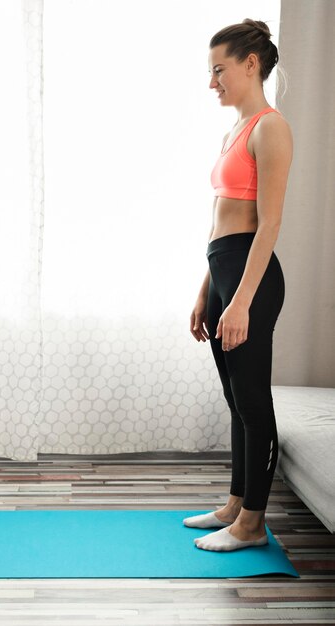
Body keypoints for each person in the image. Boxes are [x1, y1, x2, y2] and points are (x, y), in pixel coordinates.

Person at [184, 19, 293, 551]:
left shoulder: (271, 127)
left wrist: (242, 300)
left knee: (252, 400)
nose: (213, 83)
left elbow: (267, 223)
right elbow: (219, 223)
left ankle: (252, 523)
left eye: (219, 70)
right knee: (234, 397)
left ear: (251, 64)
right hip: (225, 269)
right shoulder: (235, 130)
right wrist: (207, 291)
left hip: (252, 277)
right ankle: (235, 503)